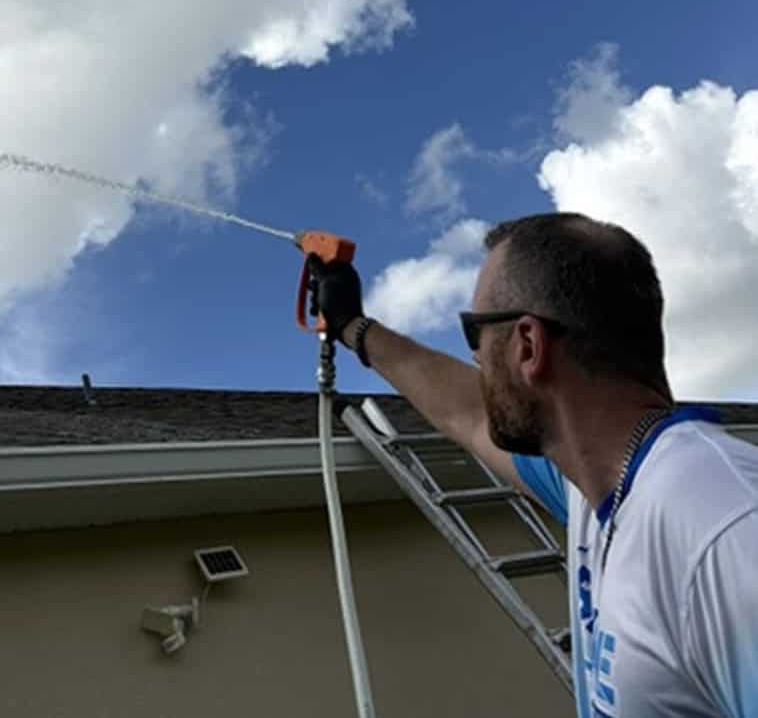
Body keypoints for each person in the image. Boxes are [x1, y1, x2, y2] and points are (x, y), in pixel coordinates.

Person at [309, 211, 757, 717]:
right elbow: (469, 413)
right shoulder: (597, 490)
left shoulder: (721, 530)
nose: (476, 359)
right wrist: (354, 327)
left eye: (473, 332)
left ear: (528, 344)